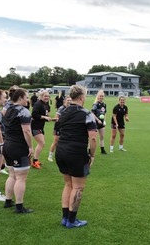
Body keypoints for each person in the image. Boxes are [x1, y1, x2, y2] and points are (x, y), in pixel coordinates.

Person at [55, 85, 97, 228]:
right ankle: (72, 221)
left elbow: (58, 130)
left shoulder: (63, 111)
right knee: (78, 187)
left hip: (60, 151)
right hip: (76, 153)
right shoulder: (87, 113)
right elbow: (93, 139)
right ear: (81, 97)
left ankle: (65, 218)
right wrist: (92, 155)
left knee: (68, 184)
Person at [2, 88, 34, 213]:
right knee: (21, 178)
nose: (28, 99)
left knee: (12, 175)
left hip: (8, 146)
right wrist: (30, 146)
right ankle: (19, 207)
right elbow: (26, 131)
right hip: (18, 147)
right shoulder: (23, 111)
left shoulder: (8, 109)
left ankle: (8, 201)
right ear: (20, 98)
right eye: (26, 97)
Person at [31, 91, 52, 169]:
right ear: (41, 96)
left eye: (48, 96)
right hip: (35, 126)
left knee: (41, 143)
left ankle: (35, 160)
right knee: (41, 143)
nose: (47, 97)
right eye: (45, 96)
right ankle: (34, 161)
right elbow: (34, 114)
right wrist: (44, 117)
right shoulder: (38, 104)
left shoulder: (46, 104)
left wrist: (50, 119)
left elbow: (45, 115)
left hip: (40, 126)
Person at [48, 95, 71, 162]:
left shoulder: (71, 108)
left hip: (66, 127)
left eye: (70, 100)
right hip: (58, 126)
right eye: (68, 100)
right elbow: (56, 118)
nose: (69, 101)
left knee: (66, 142)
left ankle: (63, 156)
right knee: (56, 142)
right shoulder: (61, 108)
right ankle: (50, 156)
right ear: (64, 101)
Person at [91, 90, 108, 154]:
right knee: (93, 138)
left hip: (101, 123)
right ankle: (90, 150)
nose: (101, 97)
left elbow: (104, 113)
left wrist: (104, 121)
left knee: (102, 137)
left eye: (102, 96)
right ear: (98, 96)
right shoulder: (95, 104)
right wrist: (98, 120)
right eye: (100, 96)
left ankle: (102, 150)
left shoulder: (104, 104)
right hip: (95, 123)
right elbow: (92, 113)